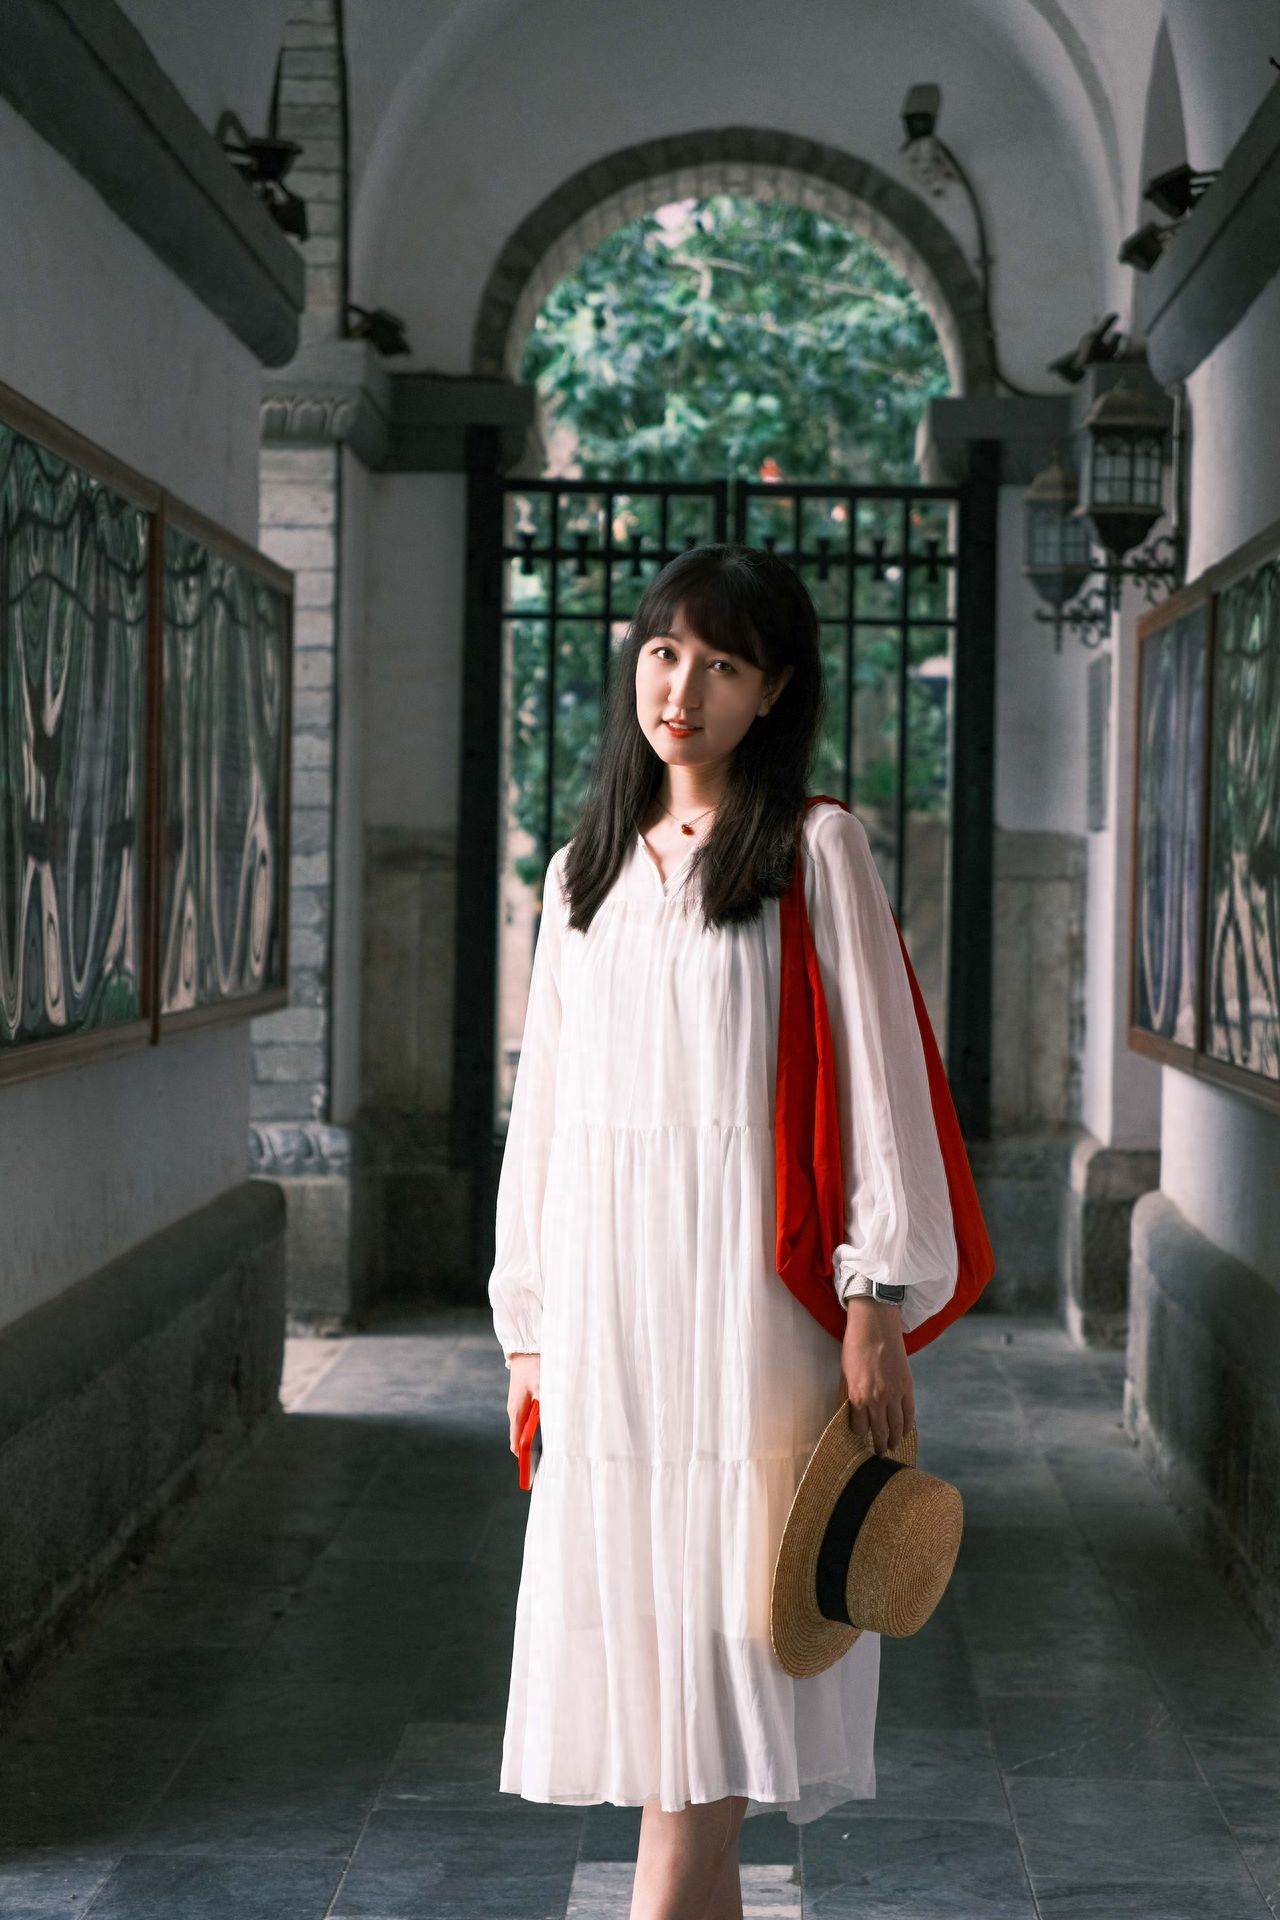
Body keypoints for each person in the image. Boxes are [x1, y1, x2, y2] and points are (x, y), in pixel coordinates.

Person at [488, 542, 958, 1920]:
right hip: (614, 1314)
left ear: (774, 692)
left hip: (755, 1323)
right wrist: (529, 1336)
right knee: (656, 1703)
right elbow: (546, 1125)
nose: (680, 687)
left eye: (722, 663)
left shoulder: (816, 849)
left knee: (722, 1677)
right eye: (663, 652)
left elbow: (882, 1087)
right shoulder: (585, 874)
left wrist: (874, 1296)